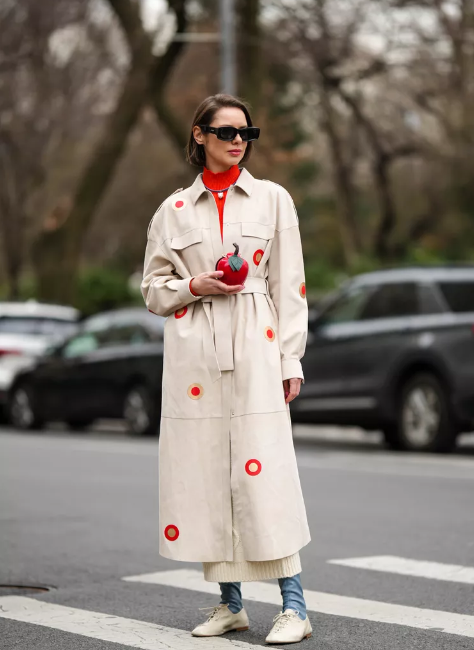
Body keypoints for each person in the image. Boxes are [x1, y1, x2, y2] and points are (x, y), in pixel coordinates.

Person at [141, 94, 312, 644]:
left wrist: (290, 359)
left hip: (258, 346)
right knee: (207, 472)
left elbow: (290, 287)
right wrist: (195, 284)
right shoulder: (172, 211)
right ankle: (230, 604)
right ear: (200, 135)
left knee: (267, 472)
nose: (239, 141)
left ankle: (295, 605)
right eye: (227, 131)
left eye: (246, 133)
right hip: (194, 354)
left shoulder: (273, 199)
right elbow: (152, 290)